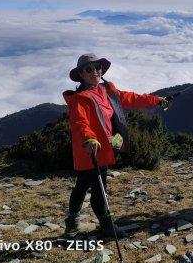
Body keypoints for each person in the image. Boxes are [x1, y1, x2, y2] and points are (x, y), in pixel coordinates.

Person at [62, 53, 169, 237]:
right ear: (80, 74)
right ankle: (105, 224)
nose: (94, 72)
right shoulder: (80, 98)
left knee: (84, 185)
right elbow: (80, 123)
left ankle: (72, 222)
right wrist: (90, 138)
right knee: (96, 186)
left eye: (98, 67)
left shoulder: (107, 90)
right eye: (88, 69)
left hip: (103, 149)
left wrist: (156, 100)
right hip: (89, 150)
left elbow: (131, 98)